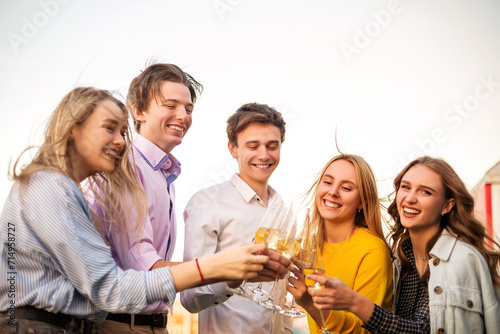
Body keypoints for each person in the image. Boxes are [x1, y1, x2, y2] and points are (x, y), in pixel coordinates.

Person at [0, 87, 283, 333]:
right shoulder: (52, 187)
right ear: (73, 128)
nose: (122, 141)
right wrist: (215, 266)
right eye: (110, 128)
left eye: (123, 131)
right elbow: (111, 288)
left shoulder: (60, 188)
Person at [306, 156, 500, 333]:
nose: (410, 198)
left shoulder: (462, 259)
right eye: (406, 187)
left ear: (446, 206)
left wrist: (355, 303)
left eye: (425, 191)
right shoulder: (401, 260)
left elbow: (423, 330)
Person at [180, 103, 293, 333]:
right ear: (233, 148)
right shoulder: (207, 203)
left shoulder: (285, 211)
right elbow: (190, 299)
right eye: (253, 146)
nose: (264, 155)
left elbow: (282, 298)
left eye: (272, 146)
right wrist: (232, 280)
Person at [288, 154, 393, 333]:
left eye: (346, 187)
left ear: (362, 201)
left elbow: (365, 329)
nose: (333, 192)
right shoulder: (309, 248)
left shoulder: (372, 250)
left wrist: (310, 304)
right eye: (328, 182)